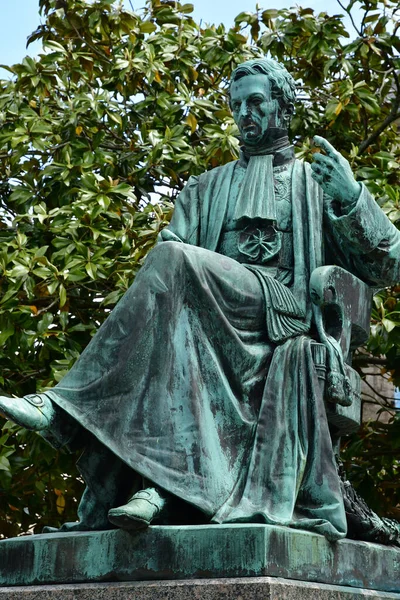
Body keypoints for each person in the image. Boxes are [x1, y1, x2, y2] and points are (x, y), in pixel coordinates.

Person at [1, 58, 399, 541]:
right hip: (210, 318)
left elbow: (387, 266)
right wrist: (170, 255)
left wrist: (352, 196)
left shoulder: (313, 183)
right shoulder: (205, 188)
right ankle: (163, 490)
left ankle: (63, 410)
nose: (244, 114)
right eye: (236, 105)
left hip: (282, 314)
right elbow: (169, 267)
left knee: (172, 263)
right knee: (167, 304)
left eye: (256, 102)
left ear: (282, 106)